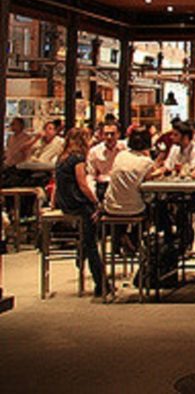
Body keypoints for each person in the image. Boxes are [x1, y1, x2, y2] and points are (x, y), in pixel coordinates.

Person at [53, 127, 106, 297]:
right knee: (93, 239)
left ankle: (81, 249)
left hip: (64, 202)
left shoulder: (61, 158)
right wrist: (95, 201)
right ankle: (101, 283)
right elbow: (82, 185)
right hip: (77, 203)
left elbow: (57, 184)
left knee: (90, 233)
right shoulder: (77, 159)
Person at [103, 127, 168, 217]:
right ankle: (143, 229)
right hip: (134, 208)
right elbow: (150, 175)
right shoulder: (146, 161)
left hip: (110, 206)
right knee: (155, 202)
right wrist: (163, 169)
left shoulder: (121, 155)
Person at [86, 121, 124, 200]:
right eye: (106, 134)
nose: (109, 137)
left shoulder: (125, 149)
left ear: (118, 134)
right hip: (103, 187)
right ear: (102, 135)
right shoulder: (94, 151)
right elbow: (91, 175)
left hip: (121, 186)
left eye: (112, 134)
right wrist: (93, 195)